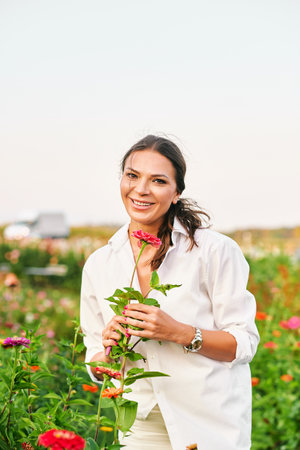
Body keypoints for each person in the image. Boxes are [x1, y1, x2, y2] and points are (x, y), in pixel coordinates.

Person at [80, 135, 260, 450]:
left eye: (158, 180)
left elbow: (243, 343)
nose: (140, 189)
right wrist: (109, 354)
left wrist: (179, 332)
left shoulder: (214, 252)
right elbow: (96, 358)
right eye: (132, 175)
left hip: (208, 426)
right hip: (140, 429)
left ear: (176, 192)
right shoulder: (100, 263)